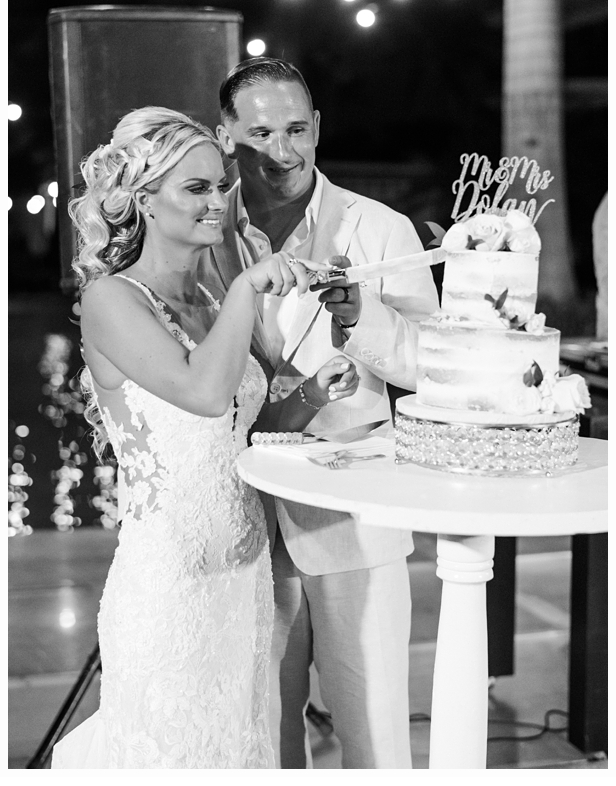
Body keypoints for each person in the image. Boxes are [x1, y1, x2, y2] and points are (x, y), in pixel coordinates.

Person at [51, 106, 359, 769]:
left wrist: (311, 393)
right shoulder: (112, 301)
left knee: (236, 752)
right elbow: (202, 393)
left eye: (220, 185)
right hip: (170, 590)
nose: (219, 200)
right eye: (197, 187)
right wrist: (251, 283)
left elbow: (241, 436)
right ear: (142, 200)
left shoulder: (215, 303)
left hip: (241, 585)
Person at [201, 59, 439, 768]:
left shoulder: (381, 227)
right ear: (226, 134)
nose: (283, 150)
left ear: (317, 129)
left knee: (371, 723)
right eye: (262, 131)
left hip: (352, 512)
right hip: (242, 511)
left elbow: (432, 364)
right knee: (265, 733)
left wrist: (363, 320)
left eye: (297, 129)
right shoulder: (205, 234)